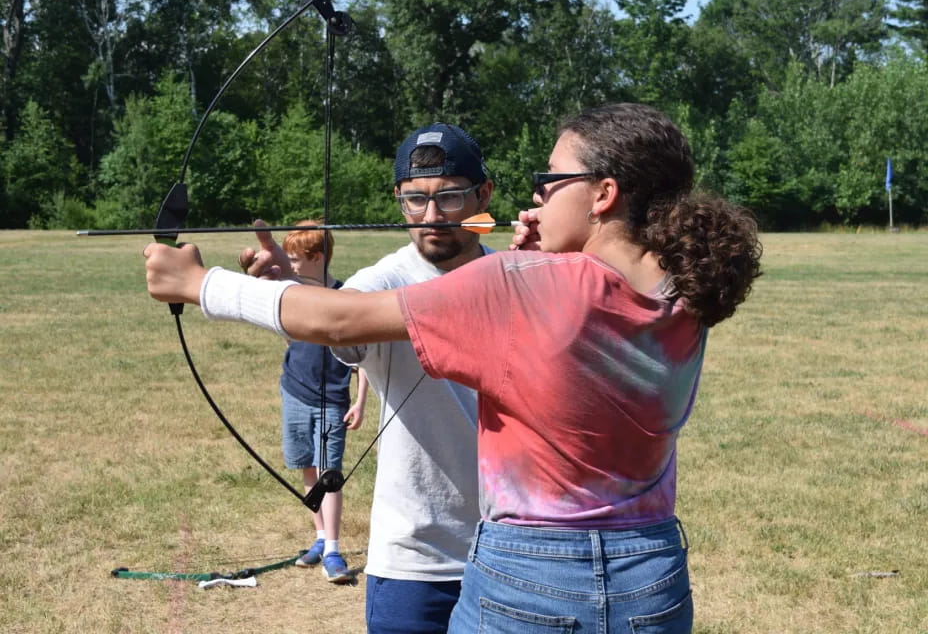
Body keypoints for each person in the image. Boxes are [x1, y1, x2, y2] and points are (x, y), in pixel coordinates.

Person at [144, 103, 762, 633]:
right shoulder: (690, 286)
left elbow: (336, 321)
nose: (541, 193)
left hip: (533, 572)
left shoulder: (518, 283)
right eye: (416, 200)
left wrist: (199, 284)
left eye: (553, 178)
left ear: (603, 194)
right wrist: (544, 260)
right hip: (650, 573)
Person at [237, 123, 494, 633]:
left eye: (451, 197)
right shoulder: (385, 280)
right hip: (414, 563)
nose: (432, 216)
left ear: (483, 195)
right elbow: (339, 320)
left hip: (514, 555)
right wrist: (293, 287)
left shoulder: (517, 271)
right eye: (413, 201)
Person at [277, 221, 369, 583]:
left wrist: (359, 402)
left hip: (332, 401)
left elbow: (363, 358)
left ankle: (333, 549)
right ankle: (318, 538)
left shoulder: (345, 298)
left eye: (296, 258)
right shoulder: (292, 294)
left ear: (317, 257)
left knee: (329, 476)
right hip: (295, 394)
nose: (291, 265)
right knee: (307, 469)